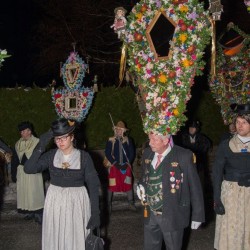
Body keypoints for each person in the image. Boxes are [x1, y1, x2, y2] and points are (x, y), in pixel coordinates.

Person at [24, 118, 100, 250]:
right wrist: (41, 144)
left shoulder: (84, 157)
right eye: (57, 138)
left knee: (75, 238)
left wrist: (95, 213)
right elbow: (28, 168)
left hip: (77, 203)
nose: (60, 142)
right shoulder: (51, 155)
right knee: (56, 238)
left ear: (72, 137)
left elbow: (93, 186)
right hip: (55, 202)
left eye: (64, 137)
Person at [137, 132, 205, 250]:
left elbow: (195, 187)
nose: (150, 143)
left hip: (172, 214)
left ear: (165, 141)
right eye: (149, 139)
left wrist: (197, 215)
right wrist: (140, 186)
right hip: (150, 213)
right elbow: (144, 176)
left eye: (154, 140)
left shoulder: (183, 156)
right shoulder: (147, 153)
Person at [212, 103, 250, 250]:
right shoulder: (226, 145)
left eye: (244, 123)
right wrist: (217, 199)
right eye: (238, 122)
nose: (240, 126)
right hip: (231, 194)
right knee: (231, 232)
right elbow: (216, 173)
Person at [11, 121, 44, 224]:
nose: (22, 133)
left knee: (35, 193)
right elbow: (15, 159)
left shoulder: (37, 142)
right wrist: (13, 173)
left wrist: (43, 171)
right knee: (25, 193)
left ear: (29, 131)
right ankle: (30, 212)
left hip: (34, 172)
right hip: (22, 172)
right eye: (21, 132)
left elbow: (42, 158)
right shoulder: (18, 143)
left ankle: (38, 214)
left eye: (24, 131)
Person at [104, 120, 136, 212]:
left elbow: (132, 153)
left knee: (128, 183)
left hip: (126, 166)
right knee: (111, 184)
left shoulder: (128, 140)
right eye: (117, 129)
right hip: (114, 166)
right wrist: (115, 164)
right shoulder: (111, 140)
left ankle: (131, 203)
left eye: (120, 130)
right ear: (115, 130)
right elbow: (107, 153)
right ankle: (108, 204)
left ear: (124, 131)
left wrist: (127, 163)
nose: (119, 131)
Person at [181, 120, 211, 188]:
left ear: (197, 129)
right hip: (186, 165)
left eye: (193, 128)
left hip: (199, 165)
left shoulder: (202, 138)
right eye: (190, 127)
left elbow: (205, 148)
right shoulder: (183, 137)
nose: (191, 129)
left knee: (199, 183)